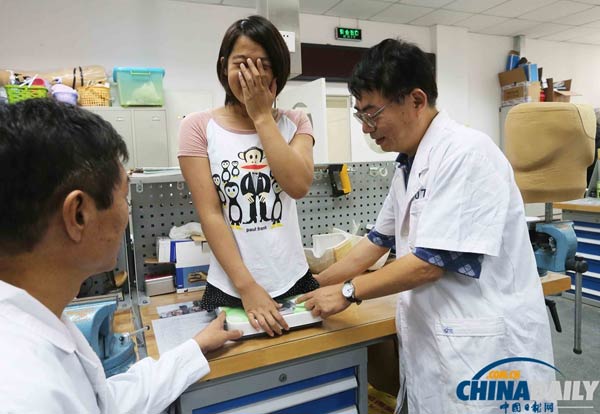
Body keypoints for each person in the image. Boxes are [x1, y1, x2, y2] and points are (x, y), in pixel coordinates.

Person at [298, 39, 555, 413]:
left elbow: (429, 263)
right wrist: (312, 286)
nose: (368, 128)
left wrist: (350, 291)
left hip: (485, 349)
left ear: (416, 100)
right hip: (442, 345)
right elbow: (376, 242)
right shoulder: (408, 164)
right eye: (361, 117)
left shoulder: (466, 152)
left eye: (373, 114)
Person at [0, 99, 242, 413]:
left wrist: (192, 350)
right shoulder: (27, 394)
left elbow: (104, 405)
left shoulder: (32, 323)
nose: (127, 213)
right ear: (79, 215)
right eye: (124, 196)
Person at [178, 15, 317, 337]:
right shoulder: (197, 127)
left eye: (264, 65)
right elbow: (210, 214)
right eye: (242, 64)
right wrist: (248, 287)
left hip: (293, 278)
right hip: (232, 284)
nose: (252, 75)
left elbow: (297, 186)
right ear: (224, 66)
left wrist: (261, 116)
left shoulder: (296, 122)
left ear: (279, 70)